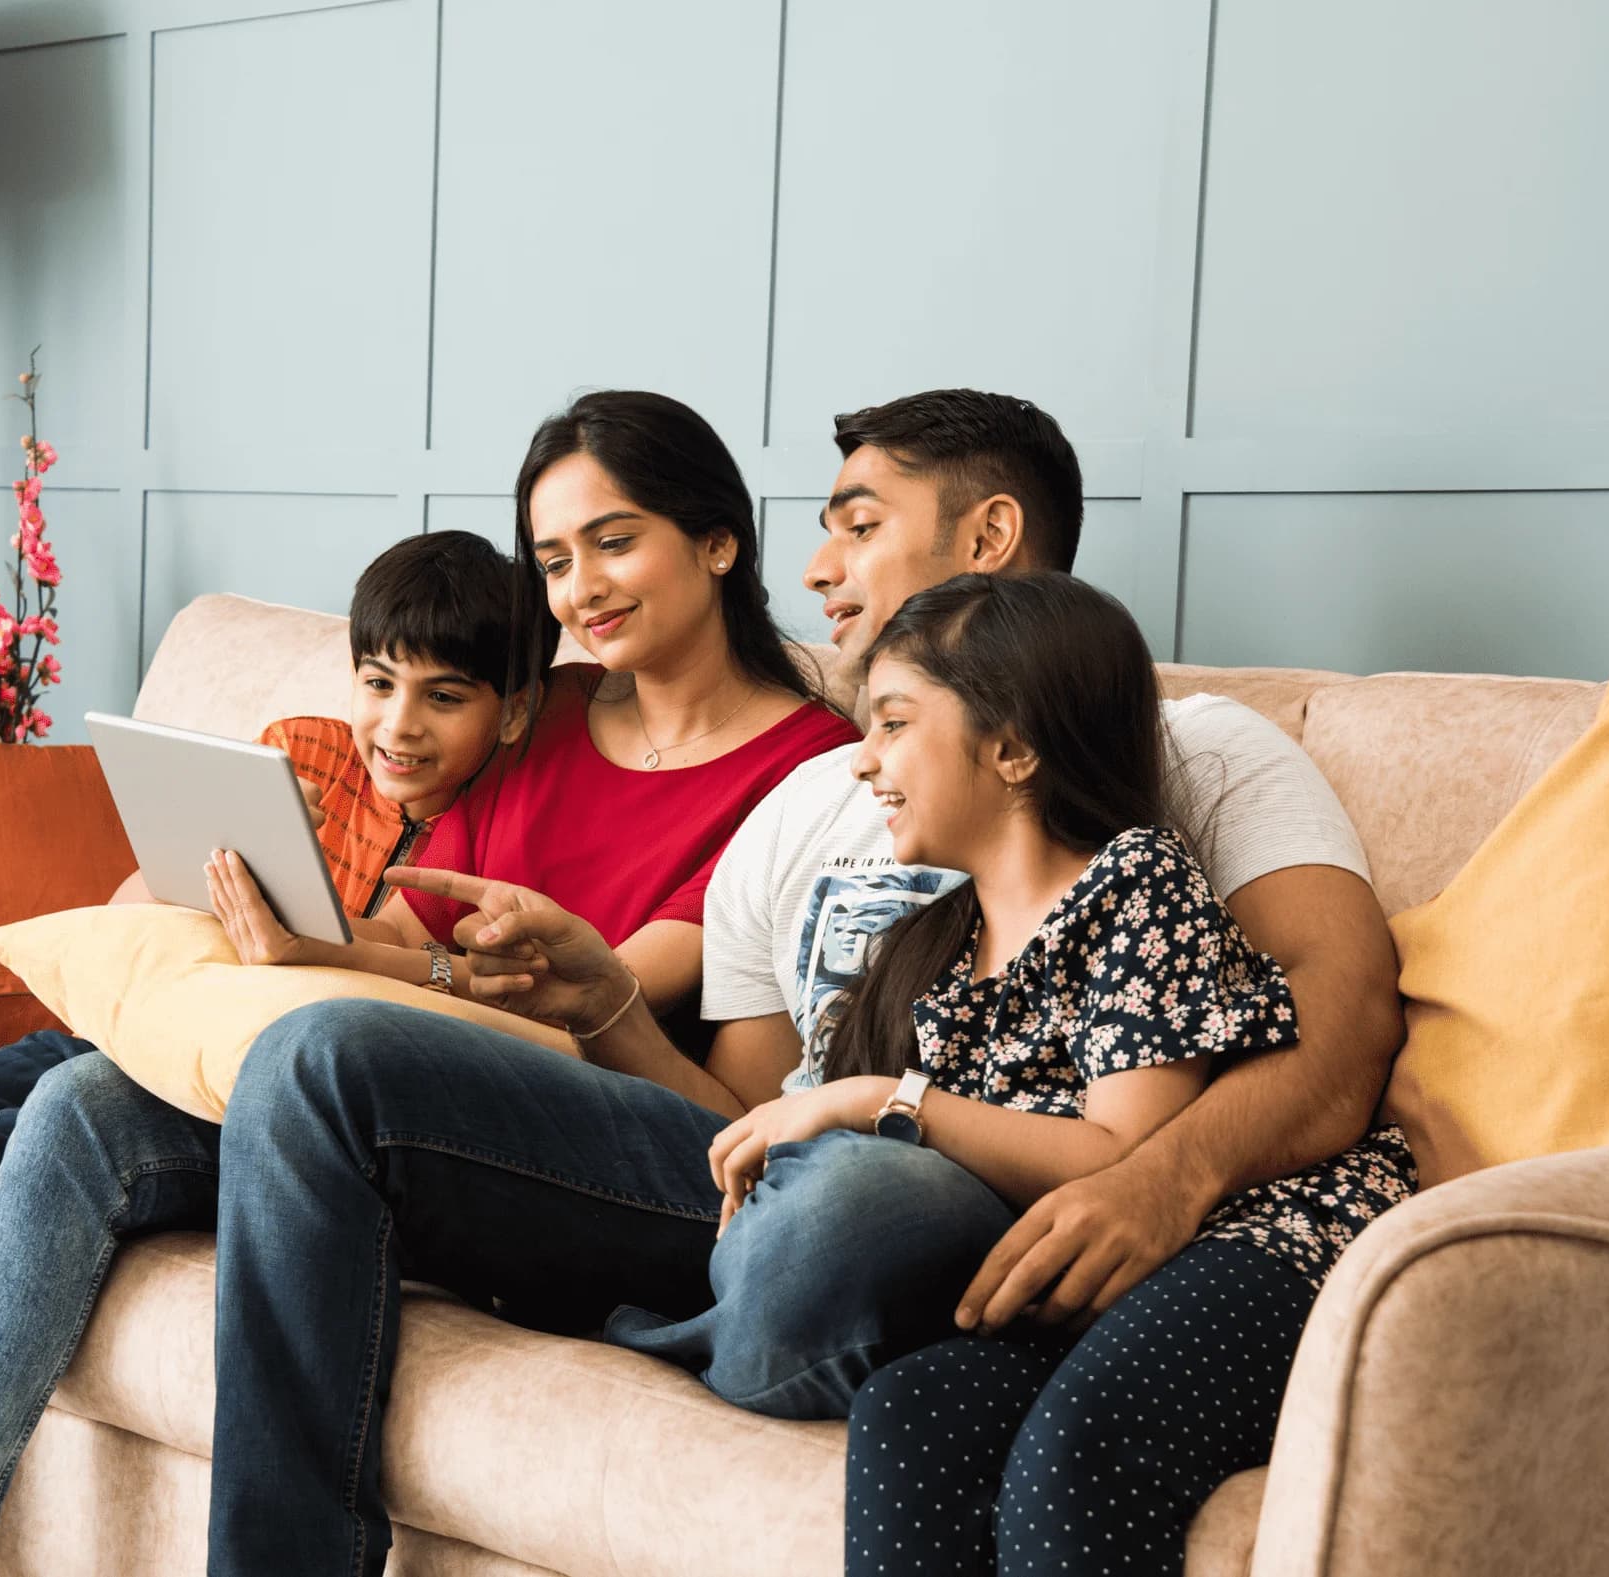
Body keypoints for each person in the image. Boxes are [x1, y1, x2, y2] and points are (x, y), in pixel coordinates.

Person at [190, 389, 1405, 1574]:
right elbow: (737, 1116)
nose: (818, 569)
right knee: (318, 1058)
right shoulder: (811, 802)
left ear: (985, 540)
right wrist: (602, 997)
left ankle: (655, 1312)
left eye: (858, 524)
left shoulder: (1181, 752)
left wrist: (1159, 1179)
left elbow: (1341, 1031)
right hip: (762, 1184)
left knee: (851, 1205)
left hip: (942, 1189)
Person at [0, 390, 856, 1577]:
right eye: (553, 556)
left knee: (317, 1048)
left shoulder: (808, 768)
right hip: (396, 1093)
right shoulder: (551, 711)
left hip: (595, 1122)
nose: (581, 585)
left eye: (615, 538)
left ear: (719, 540)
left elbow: (561, 991)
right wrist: (280, 929)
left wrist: (332, 962)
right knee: (76, 1109)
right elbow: (402, 924)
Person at [0, 527, 543, 1577]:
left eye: (444, 697)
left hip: (199, 1097)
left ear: (509, 709)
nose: (398, 725)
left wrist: (333, 943)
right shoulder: (300, 748)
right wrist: (228, 863)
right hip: (121, 1022)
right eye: (379, 681)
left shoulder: (499, 834)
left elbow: (454, 1006)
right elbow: (124, 906)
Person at [610, 570, 1417, 1575]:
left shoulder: (1138, 883)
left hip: (1263, 1235)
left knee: (1083, 1453)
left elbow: (1123, 1151)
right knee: (911, 1411)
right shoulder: (939, 950)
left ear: (1015, 747)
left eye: (895, 723)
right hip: (1079, 1268)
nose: (864, 762)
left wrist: (879, 1101)